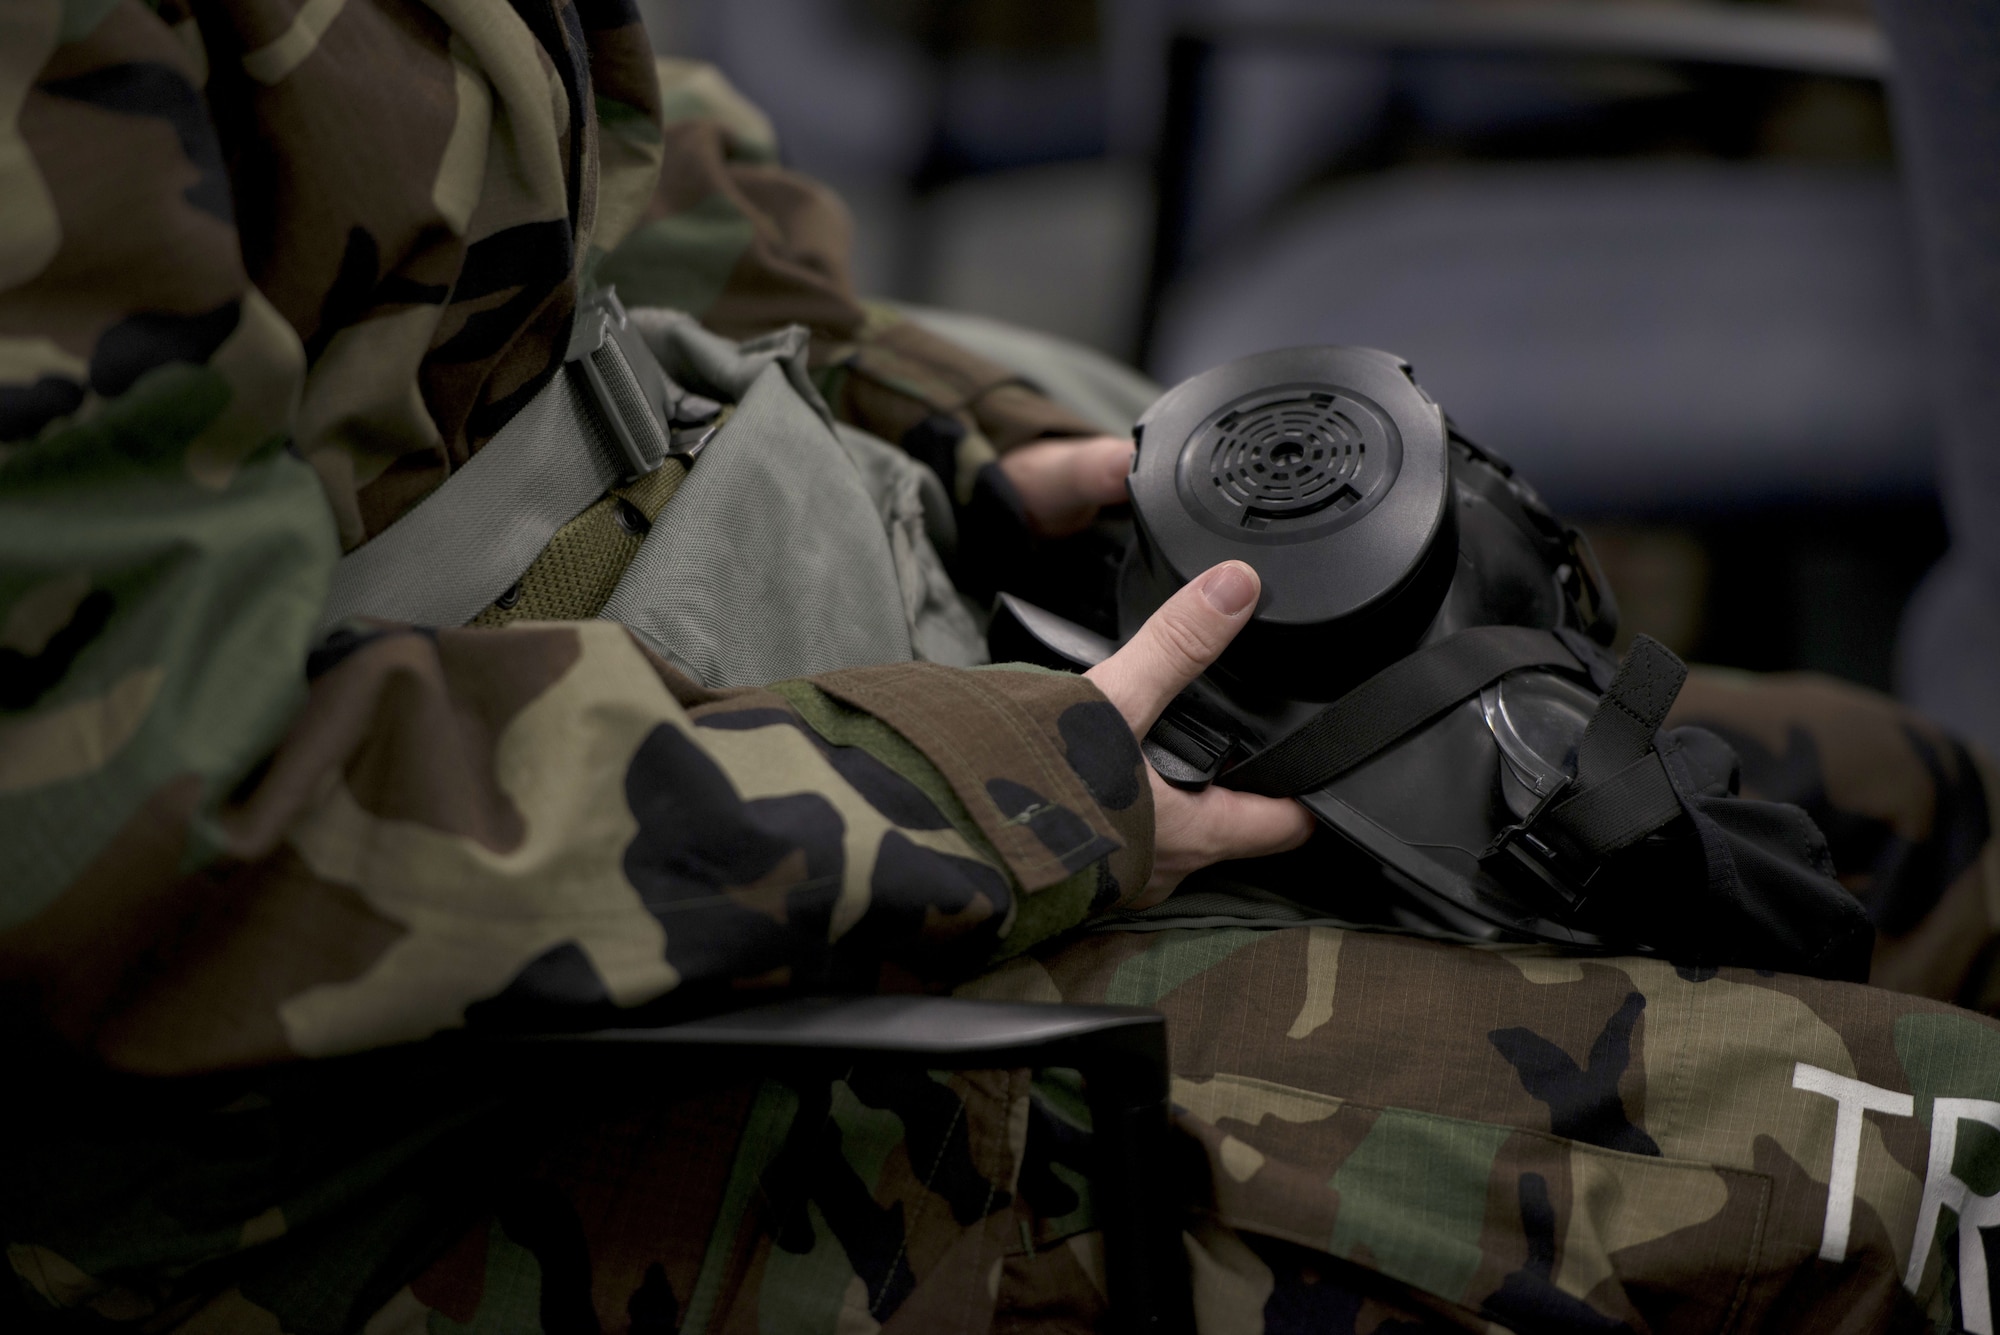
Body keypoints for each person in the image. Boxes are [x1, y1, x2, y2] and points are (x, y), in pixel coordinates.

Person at [3, 1, 1998, 1331]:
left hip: (779, 674)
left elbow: (610, 192)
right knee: (1946, 1168)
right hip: (377, 1109)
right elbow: (143, 813)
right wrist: (994, 781)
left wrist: (975, 441)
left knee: (1911, 817)